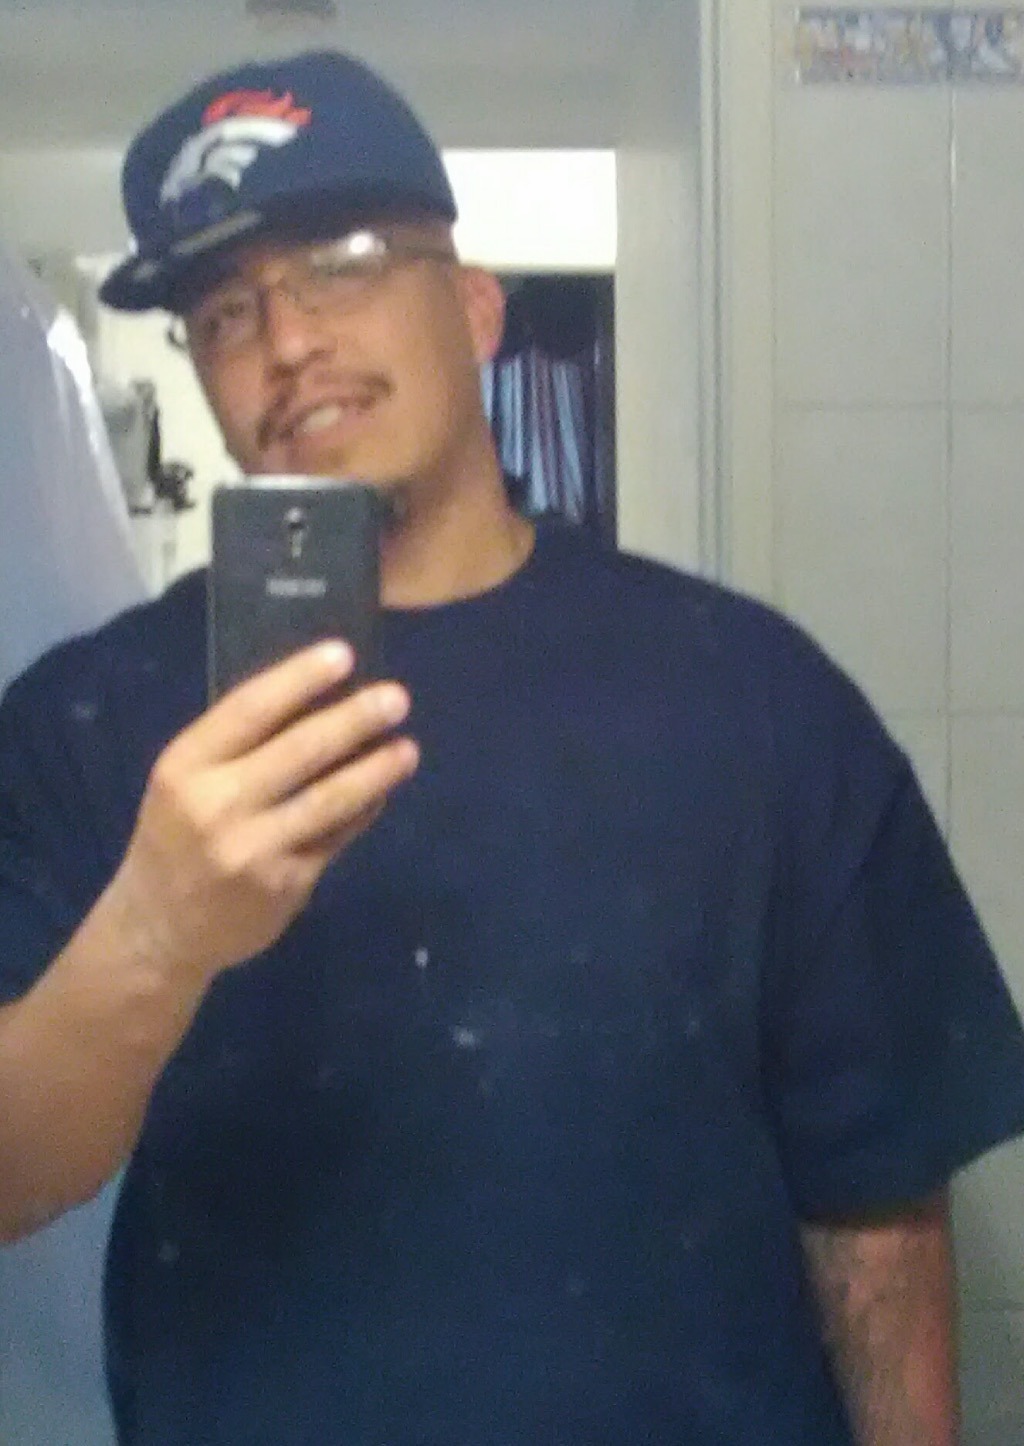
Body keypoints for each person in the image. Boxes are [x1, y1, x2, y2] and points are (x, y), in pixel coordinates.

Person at [0, 49, 1022, 1446]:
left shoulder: (752, 696)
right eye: (225, 311)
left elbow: (877, 1204)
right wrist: (158, 932)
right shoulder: (90, 722)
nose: (286, 339)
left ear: (477, 308)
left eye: (345, 262)